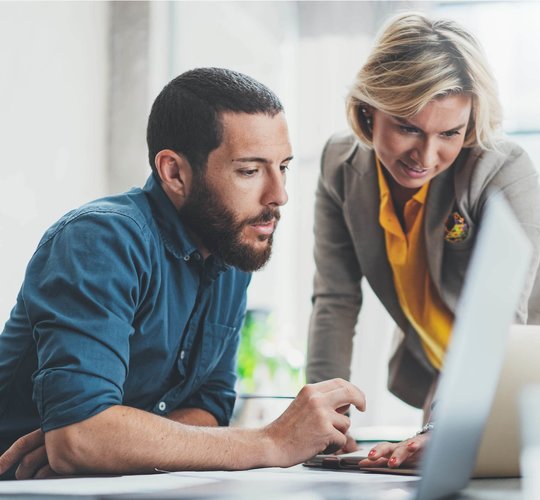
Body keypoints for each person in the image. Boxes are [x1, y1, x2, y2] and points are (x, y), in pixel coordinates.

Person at [305, 12, 540, 468]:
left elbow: (496, 321)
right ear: (369, 109)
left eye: (450, 133)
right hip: (459, 378)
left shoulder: (500, 169)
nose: (426, 156)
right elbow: (335, 300)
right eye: (408, 128)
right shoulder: (338, 167)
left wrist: (443, 427)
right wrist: (323, 421)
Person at [0, 67, 365, 480]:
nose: (278, 195)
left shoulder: (229, 248)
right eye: (249, 171)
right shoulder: (100, 239)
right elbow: (81, 438)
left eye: (282, 167)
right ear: (174, 173)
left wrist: (115, 440)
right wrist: (271, 441)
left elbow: (209, 406)